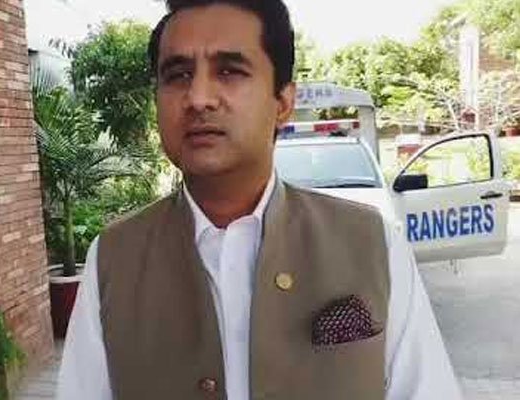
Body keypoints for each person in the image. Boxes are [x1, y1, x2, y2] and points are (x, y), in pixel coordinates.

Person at [58, 1, 462, 399]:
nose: (198, 98)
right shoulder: (114, 258)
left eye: (229, 71)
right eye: (178, 75)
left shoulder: (371, 243)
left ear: (283, 102)